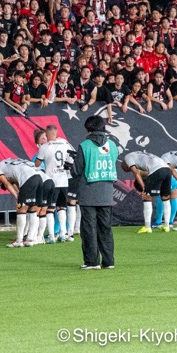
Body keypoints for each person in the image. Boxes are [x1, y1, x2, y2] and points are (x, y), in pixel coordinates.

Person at [70, 115, 118, 270]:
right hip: (106, 192)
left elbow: (76, 171)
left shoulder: (85, 146)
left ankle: (92, 262)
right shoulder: (112, 145)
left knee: (89, 228)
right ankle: (109, 261)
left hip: (88, 193)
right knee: (105, 228)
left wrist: (70, 166)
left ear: (89, 129)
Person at [0, 158, 48, 247]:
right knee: (33, 209)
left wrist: (17, 197)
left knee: (21, 210)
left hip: (28, 179)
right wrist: (19, 194)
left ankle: (19, 240)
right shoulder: (9, 165)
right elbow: (14, 182)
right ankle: (31, 239)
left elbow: (7, 184)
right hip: (38, 178)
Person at [35, 125, 76, 243]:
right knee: (62, 207)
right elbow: (73, 155)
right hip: (64, 179)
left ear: (47, 135)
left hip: (51, 181)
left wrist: (39, 156)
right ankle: (63, 233)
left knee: (50, 208)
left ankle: (52, 236)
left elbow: (37, 164)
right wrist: (67, 165)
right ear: (56, 133)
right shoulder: (65, 143)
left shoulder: (44, 147)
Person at [122, 151, 173, 233]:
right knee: (165, 198)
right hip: (167, 170)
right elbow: (146, 173)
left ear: (125, 164)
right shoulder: (138, 155)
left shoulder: (128, 157)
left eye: (128, 170)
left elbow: (136, 173)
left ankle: (147, 227)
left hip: (157, 170)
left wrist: (143, 188)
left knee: (147, 198)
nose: (129, 171)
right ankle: (167, 226)